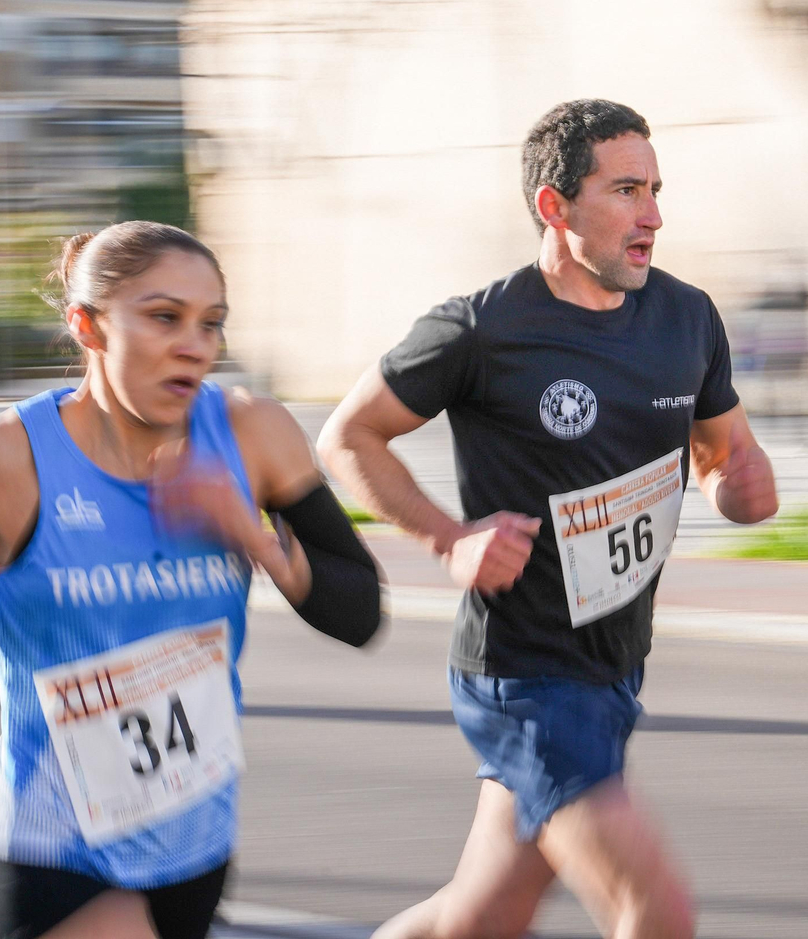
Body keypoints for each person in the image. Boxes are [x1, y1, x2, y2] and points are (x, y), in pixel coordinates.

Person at [0, 221, 384, 939]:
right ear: (88, 325)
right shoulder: (0, 455)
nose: (194, 345)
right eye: (163, 316)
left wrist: (254, 536)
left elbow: (360, 612)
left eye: (212, 324)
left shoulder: (251, 434)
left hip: (195, 836)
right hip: (52, 840)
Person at [319, 100, 779, 939]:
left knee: (480, 918)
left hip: (614, 664)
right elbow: (349, 435)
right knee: (657, 909)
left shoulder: (687, 318)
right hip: (525, 675)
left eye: (657, 189)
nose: (654, 215)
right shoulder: (481, 329)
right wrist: (448, 538)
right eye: (627, 190)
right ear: (554, 207)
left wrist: (738, 488)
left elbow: (723, 458)